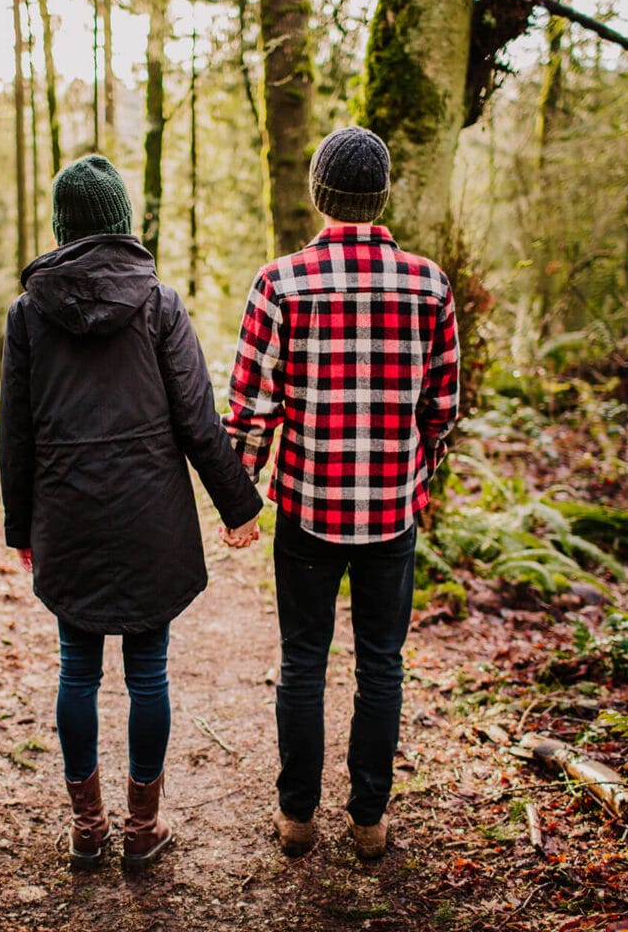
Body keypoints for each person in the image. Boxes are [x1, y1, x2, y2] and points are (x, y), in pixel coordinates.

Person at [0, 154, 263, 871]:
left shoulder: (28, 314)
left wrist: (21, 528)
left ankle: (89, 831)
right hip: (151, 516)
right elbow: (197, 418)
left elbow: (15, 434)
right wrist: (238, 504)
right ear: (122, 226)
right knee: (149, 674)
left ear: (62, 229)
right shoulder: (159, 303)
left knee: (76, 670)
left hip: (68, 514)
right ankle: (141, 832)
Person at [222, 127, 461, 860]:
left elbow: (250, 407)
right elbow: (442, 407)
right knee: (380, 665)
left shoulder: (281, 282)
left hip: (308, 508)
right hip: (391, 511)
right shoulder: (429, 284)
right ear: (380, 197)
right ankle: (368, 820)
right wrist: (417, 473)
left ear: (320, 197)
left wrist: (244, 496)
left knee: (303, 660)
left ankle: (297, 817)